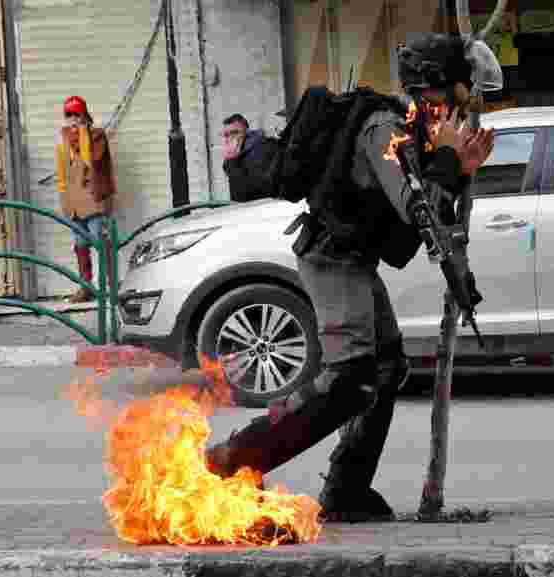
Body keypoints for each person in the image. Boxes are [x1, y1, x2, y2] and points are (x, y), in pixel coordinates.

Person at [203, 33, 496, 521]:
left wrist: (459, 167)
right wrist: (449, 158)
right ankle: (234, 460)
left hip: (355, 259)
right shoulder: (386, 132)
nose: (464, 110)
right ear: (433, 91)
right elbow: (417, 207)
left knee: (384, 368)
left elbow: (433, 205)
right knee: (351, 376)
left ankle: (346, 492)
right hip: (331, 258)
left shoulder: (413, 129)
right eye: (460, 96)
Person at [54, 96, 116, 303]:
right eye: (68, 114)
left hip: (93, 195)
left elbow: (91, 159)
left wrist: (81, 131)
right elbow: (62, 170)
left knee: (100, 241)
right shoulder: (62, 138)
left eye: (76, 113)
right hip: (74, 199)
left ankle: (111, 286)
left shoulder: (96, 135)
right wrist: (63, 196)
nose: (72, 118)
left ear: (84, 114)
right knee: (80, 244)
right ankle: (86, 287)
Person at [221, 113, 279, 202]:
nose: (230, 138)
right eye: (226, 135)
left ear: (247, 132)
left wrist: (231, 160)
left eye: (235, 132)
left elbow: (244, 195)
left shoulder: (262, 149)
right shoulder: (238, 153)